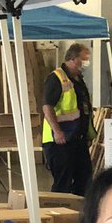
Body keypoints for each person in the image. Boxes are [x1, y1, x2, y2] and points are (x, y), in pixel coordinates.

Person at [41, 43, 95, 196]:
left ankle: (78, 214)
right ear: (72, 58)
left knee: (84, 180)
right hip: (59, 141)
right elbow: (47, 106)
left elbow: (83, 109)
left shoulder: (78, 79)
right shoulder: (56, 78)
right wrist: (57, 131)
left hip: (77, 140)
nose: (86, 63)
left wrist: (88, 134)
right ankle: (58, 215)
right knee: (63, 182)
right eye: (84, 59)